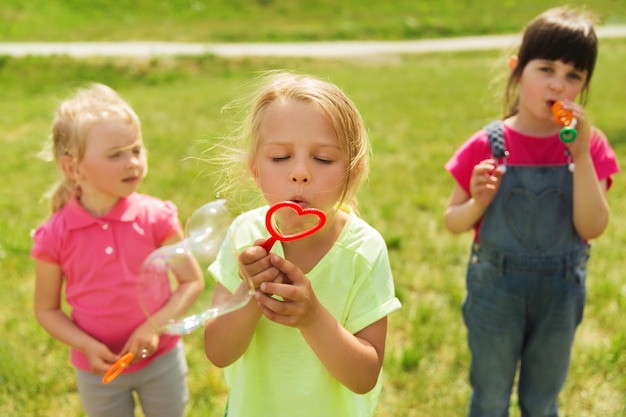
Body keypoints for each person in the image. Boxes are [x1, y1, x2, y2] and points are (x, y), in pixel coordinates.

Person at [444, 6, 620, 417]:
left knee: (542, 401)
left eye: (573, 75)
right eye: (546, 68)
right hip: (495, 291)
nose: (559, 84)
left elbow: (592, 227)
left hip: (560, 295)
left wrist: (582, 157)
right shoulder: (486, 144)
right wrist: (478, 202)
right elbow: (452, 221)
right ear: (517, 70)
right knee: (489, 397)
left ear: (584, 85)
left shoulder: (589, 147)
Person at [203, 71, 401, 417]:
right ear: (255, 170)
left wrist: (313, 319)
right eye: (280, 158)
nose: (300, 173)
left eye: (322, 159)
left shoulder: (363, 251)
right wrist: (249, 292)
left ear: (351, 173)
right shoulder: (244, 236)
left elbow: (364, 376)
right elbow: (218, 353)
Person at [31, 83, 204, 417]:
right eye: (116, 155)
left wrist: (152, 327)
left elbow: (191, 281)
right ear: (73, 169)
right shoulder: (55, 235)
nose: (132, 162)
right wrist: (85, 346)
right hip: (98, 369)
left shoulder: (156, 217)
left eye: (136, 150)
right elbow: (46, 310)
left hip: (161, 359)